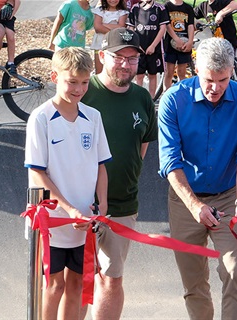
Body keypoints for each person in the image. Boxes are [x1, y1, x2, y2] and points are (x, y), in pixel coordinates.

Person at [158, 37, 237, 320]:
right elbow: (169, 160)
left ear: (232, 73)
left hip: (229, 195)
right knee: (193, 282)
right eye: (208, 80)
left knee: (234, 271)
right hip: (185, 199)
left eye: (223, 80)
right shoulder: (173, 99)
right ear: (195, 69)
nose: (215, 88)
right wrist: (194, 206)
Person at [24, 47, 112, 319]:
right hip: (52, 222)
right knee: (53, 286)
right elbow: (38, 173)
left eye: (84, 82)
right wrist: (68, 209)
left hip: (84, 221)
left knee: (77, 284)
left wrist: (101, 206)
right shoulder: (40, 118)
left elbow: (101, 165)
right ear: (54, 77)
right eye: (72, 81)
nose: (79, 89)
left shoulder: (93, 117)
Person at [81, 27, 158, 319]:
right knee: (78, 277)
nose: (125, 64)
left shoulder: (142, 99)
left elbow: (141, 148)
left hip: (123, 206)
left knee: (111, 278)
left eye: (132, 58)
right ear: (102, 56)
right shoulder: (84, 92)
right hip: (80, 206)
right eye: (118, 57)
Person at [127, 0, 169, 99]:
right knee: (139, 75)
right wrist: (137, 45)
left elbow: (162, 29)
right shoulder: (135, 8)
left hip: (154, 49)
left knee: (152, 74)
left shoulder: (160, 8)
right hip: (139, 48)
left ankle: (151, 99)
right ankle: (137, 98)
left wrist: (153, 45)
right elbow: (131, 28)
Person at [163, 0, 195, 91]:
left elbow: (190, 25)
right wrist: (176, 39)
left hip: (185, 44)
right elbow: (167, 25)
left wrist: (190, 41)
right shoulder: (166, 6)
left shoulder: (188, 8)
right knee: (169, 72)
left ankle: (182, 93)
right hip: (170, 43)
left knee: (182, 72)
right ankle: (167, 93)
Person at [90, 0, 129, 74]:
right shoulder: (99, 10)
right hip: (99, 44)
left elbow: (121, 27)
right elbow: (97, 28)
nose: (113, 0)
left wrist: (103, 24)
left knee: (113, 71)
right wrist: (114, 29)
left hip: (115, 45)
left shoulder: (122, 12)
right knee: (99, 72)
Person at [0, 0, 20, 74]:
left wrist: (12, 15)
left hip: (7, 14)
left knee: (10, 36)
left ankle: (10, 62)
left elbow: (17, 2)